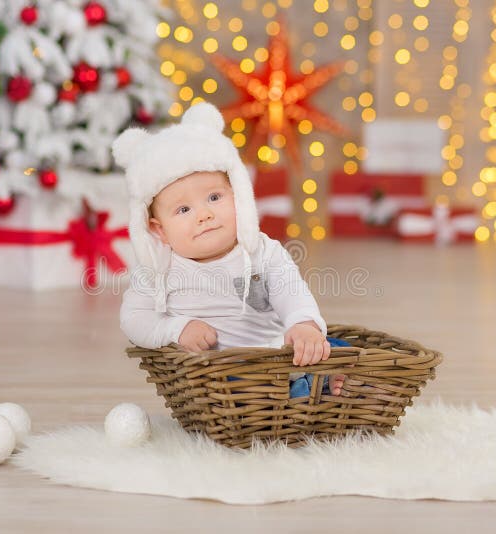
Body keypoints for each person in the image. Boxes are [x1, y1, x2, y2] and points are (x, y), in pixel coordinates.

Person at [113, 102, 345, 397]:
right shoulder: (160, 270)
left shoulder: (262, 252)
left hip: (278, 354)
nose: (204, 214)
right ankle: (307, 389)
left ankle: (312, 380)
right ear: (159, 230)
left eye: (214, 197)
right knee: (231, 386)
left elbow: (292, 292)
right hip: (222, 371)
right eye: (183, 209)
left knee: (331, 347)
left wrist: (302, 325)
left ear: (238, 197)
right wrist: (178, 329)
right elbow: (134, 319)